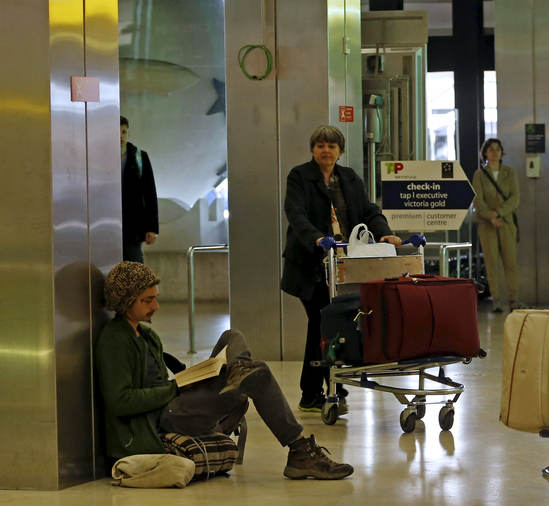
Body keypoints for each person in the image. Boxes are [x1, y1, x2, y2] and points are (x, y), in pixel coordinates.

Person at [96, 261, 353, 480]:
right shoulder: (115, 340)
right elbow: (120, 401)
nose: (155, 306)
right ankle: (298, 449)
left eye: (155, 298)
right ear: (126, 301)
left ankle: (239, 371)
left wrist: (196, 378)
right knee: (258, 374)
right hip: (160, 420)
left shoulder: (147, 336)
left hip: (173, 403)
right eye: (147, 300)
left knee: (233, 335)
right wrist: (176, 387)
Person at [281, 125, 402, 412]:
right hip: (309, 266)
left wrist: (383, 231)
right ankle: (318, 390)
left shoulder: (348, 178)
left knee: (331, 323)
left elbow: (369, 210)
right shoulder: (300, 176)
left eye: (331, 146)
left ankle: (328, 387)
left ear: (340, 151)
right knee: (321, 322)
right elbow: (295, 214)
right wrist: (317, 238)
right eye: (321, 145)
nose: (326, 150)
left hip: (342, 265)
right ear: (313, 149)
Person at [471, 138, 523, 312]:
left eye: (497, 149)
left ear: (501, 152)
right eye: (491, 149)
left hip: (506, 222)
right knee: (492, 262)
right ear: (485, 152)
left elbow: (515, 199)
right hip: (487, 225)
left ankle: (514, 299)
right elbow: (477, 200)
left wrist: (499, 213)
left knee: (511, 262)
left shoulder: (509, 173)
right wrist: (490, 216)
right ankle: (497, 300)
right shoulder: (479, 175)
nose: (494, 152)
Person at [120, 116, 159, 263]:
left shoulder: (140, 157)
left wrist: (152, 227)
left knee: (134, 267)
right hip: (107, 225)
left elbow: (150, 193)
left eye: (123, 132)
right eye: (117, 132)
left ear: (128, 133)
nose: (120, 137)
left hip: (133, 226)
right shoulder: (102, 157)